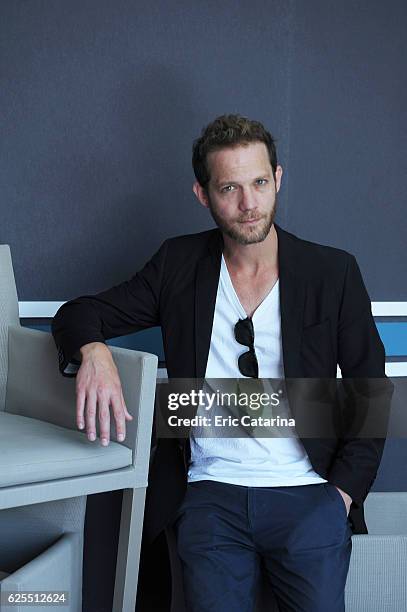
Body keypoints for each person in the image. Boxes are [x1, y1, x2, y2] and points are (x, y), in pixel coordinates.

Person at [52, 114, 392, 612]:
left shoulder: (332, 271)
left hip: (309, 493)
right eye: (229, 187)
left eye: (258, 182)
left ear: (278, 178)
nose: (248, 203)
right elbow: (78, 315)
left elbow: (370, 389)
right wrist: (94, 350)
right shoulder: (179, 264)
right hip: (210, 494)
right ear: (203, 194)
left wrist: (340, 495)